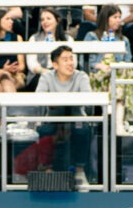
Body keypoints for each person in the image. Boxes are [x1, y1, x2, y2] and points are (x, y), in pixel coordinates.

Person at [35, 45, 94, 190]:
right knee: (45, 129)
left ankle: (80, 171)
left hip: (76, 116)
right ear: (55, 64)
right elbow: (39, 97)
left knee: (81, 130)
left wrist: (55, 100)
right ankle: (48, 171)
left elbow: (87, 98)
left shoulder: (81, 76)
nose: (70, 63)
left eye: (71, 59)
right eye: (65, 60)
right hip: (53, 117)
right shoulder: (46, 76)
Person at [84, 4, 133, 136]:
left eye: (119, 17)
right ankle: (119, 125)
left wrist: (114, 67)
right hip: (99, 76)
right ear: (106, 18)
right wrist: (103, 66)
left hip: (116, 78)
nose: (119, 20)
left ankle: (114, 112)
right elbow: (90, 63)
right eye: (115, 17)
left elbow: (128, 61)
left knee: (121, 69)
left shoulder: (124, 40)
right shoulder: (92, 36)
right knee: (118, 70)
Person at [25, 7, 72, 91]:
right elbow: (32, 64)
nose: (45, 22)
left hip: (61, 73)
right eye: (42, 20)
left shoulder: (68, 39)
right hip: (40, 74)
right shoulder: (34, 38)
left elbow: (72, 62)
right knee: (45, 79)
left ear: (57, 20)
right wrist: (46, 72)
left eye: (48, 19)